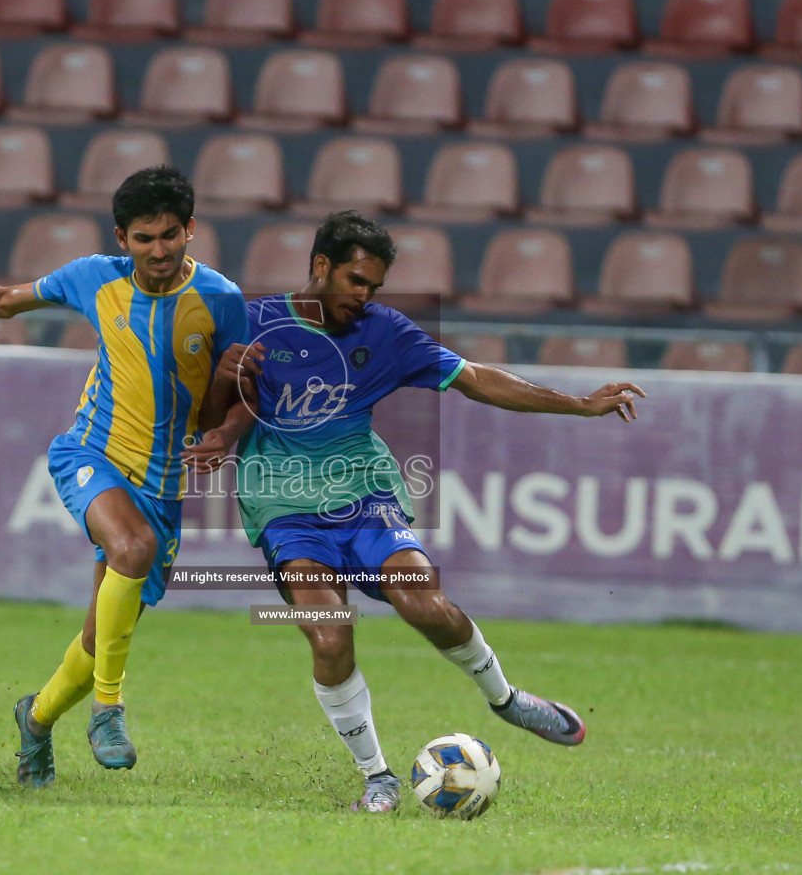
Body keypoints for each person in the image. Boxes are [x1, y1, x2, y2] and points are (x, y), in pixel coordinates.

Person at [183, 211, 644, 813]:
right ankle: (378, 779)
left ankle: (506, 699)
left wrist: (579, 405)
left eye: (373, 286)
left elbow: (476, 379)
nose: (364, 296)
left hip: (365, 496)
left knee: (423, 602)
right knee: (330, 636)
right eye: (355, 280)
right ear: (320, 266)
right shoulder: (252, 321)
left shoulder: (386, 332)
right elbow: (208, 416)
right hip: (284, 508)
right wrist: (220, 400)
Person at [0, 166, 256, 787]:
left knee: (98, 641)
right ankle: (109, 712)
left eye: (170, 235)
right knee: (132, 547)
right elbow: (3, 302)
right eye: (144, 238)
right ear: (122, 237)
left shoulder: (223, 300)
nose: (158, 250)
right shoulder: (94, 278)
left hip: (165, 483)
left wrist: (225, 431)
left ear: (191, 230)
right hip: (91, 451)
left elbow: (233, 401)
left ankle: (35, 721)